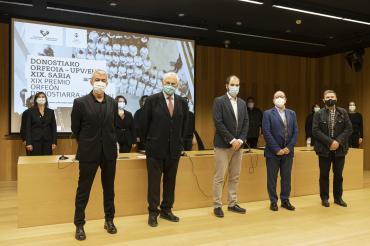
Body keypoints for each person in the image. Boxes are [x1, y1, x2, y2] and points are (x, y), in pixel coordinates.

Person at [71, 69, 119, 241]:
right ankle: (79, 224)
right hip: (88, 153)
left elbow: (114, 127)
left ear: (107, 82)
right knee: (83, 190)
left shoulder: (112, 103)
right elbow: (75, 129)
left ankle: (109, 220)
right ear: (91, 82)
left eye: (103, 79)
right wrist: (87, 143)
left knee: (109, 189)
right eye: (97, 79)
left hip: (109, 154)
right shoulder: (80, 102)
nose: (100, 82)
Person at [140, 72, 188, 227]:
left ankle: (167, 210)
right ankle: (153, 212)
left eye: (173, 84)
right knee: (154, 183)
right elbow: (144, 125)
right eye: (167, 82)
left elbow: (184, 125)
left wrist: (181, 144)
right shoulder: (152, 100)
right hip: (155, 149)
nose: (170, 86)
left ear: (178, 85)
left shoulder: (182, 102)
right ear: (162, 83)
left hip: (174, 150)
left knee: (170, 181)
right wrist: (148, 145)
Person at [212, 75, 249, 218]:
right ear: (226, 85)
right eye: (232, 84)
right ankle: (217, 205)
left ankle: (232, 203)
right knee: (219, 177)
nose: (235, 87)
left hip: (238, 146)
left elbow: (246, 122)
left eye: (237, 85)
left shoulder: (242, 103)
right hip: (223, 145)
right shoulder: (219, 101)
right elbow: (218, 123)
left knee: (235, 176)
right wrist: (232, 140)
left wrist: (240, 140)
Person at [312, 90, 352, 208]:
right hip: (324, 149)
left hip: (340, 149)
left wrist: (338, 141)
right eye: (327, 97)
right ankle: (324, 198)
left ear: (336, 98)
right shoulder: (318, 114)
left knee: (338, 175)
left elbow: (349, 129)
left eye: (332, 96)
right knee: (324, 175)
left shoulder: (343, 112)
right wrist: (330, 142)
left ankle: (338, 198)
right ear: (324, 100)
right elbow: (315, 131)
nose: (330, 98)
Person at [262, 91, 298, 212]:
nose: (279, 98)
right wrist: (277, 149)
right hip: (273, 153)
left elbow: (295, 132)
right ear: (273, 100)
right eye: (277, 97)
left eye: (281, 96)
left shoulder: (292, 113)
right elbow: (266, 132)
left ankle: (285, 200)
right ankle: (273, 201)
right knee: (272, 178)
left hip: (288, 152)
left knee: (286, 177)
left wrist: (289, 147)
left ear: (286, 99)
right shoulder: (267, 114)